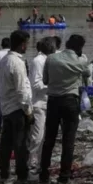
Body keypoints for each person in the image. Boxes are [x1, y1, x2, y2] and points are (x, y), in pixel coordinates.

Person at [39, 35, 91, 184]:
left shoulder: (51, 59)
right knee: (68, 141)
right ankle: (64, 176)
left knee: (49, 139)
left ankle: (43, 175)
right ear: (80, 47)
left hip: (53, 101)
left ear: (67, 44)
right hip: (70, 101)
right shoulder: (81, 61)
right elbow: (87, 74)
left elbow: (45, 81)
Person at [0, 30, 33, 184]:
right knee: (20, 144)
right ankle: (22, 175)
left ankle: (4, 173)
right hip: (17, 108)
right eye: (26, 43)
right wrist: (28, 111)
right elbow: (21, 90)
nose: (27, 46)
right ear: (22, 44)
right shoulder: (17, 62)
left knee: (6, 143)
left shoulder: (4, 60)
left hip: (6, 106)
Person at [28, 38, 54, 170]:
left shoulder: (47, 60)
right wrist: (52, 86)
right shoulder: (38, 61)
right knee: (37, 136)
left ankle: (38, 161)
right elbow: (36, 84)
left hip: (45, 102)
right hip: (38, 103)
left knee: (43, 136)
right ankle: (32, 161)